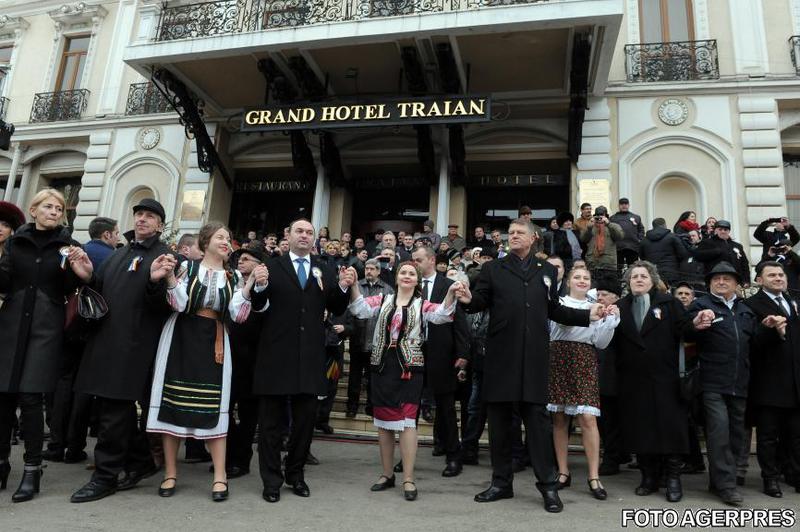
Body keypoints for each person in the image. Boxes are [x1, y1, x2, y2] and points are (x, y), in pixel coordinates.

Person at [460, 218, 604, 513]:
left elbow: (555, 309)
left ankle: (549, 487)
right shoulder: (493, 269)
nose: (513, 236)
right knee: (499, 425)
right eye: (510, 233)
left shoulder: (547, 270)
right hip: (501, 358)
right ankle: (501, 483)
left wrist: (589, 314)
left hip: (536, 358)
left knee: (538, 427)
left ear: (534, 237)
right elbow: (479, 301)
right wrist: (466, 298)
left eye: (519, 232)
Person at [145, 222, 259, 502]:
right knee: (173, 405)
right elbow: (179, 304)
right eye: (220, 237)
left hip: (215, 342)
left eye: (228, 238)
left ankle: (220, 475)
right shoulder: (188, 269)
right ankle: (170, 473)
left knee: (214, 406)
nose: (226, 241)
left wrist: (250, 286)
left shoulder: (233, 277)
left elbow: (238, 314)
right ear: (206, 241)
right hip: (181, 339)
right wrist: (171, 278)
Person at [71, 198, 174, 503]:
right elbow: (100, 293)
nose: (142, 219)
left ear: (160, 224)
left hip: (134, 346)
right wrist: (89, 274)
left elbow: (164, 305)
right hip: (104, 341)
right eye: (138, 214)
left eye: (150, 216)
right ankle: (141, 461)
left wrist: (157, 282)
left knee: (113, 412)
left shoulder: (164, 256)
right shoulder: (120, 253)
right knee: (112, 409)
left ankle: (105, 477)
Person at [345, 261, 466, 501]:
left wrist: (451, 293)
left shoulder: (423, 305)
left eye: (412, 273)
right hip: (382, 366)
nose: (407, 276)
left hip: (409, 368)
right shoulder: (382, 300)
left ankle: (408, 478)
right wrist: (353, 285)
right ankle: (387, 474)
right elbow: (359, 309)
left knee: (408, 422)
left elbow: (442, 315)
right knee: (383, 422)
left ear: (417, 280)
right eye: (403, 272)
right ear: (397, 277)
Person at [0, 189, 93, 502]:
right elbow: (4, 282)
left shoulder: (69, 246)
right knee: (3, 397)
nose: (54, 211)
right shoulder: (15, 242)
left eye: (58, 208)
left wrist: (84, 274)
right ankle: (1, 464)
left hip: (46, 328)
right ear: (34, 209)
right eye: (48, 206)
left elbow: (76, 286)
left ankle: (31, 468)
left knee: (30, 397)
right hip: (11, 326)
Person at [250, 219, 351, 503]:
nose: (305, 236)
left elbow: (337, 307)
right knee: (269, 426)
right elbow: (258, 306)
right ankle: (271, 480)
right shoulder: (271, 266)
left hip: (309, 358)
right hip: (275, 356)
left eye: (309, 232)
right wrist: (258, 287)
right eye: (299, 231)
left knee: (305, 424)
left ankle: (295, 475)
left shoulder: (324, 268)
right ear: (288, 235)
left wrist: (342, 287)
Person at [611, 260, 713, 502]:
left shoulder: (669, 303)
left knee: (670, 429)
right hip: (633, 382)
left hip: (665, 380)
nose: (638, 279)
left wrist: (696, 324)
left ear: (653, 280)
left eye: (643, 276)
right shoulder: (620, 307)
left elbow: (684, 330)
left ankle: (673, 478)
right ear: (628, 282)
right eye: (634, 276)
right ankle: (649, 477)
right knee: (641, 429)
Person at [686, 262, 776, 505]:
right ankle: (726, 485)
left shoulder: (745, 310)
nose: (721, 282)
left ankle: (722, 480)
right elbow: (684, 332)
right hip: (712, 382)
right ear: (710, 283)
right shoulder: (701, 305)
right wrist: (695, 323)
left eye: (727, 279)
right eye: (716, 279)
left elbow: (753, 344)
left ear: (737, 284)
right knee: (718, 433)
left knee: (737, 435)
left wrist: (767, 329)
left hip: (740, 382)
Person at [548, 266, 620, 500]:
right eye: (577, 277)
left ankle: (593, 476)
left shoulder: (598, 306)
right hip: (559, 357)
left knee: (588, 418)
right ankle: (562, 471)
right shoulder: (558, 303)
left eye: (585, 278)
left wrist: (609, 320)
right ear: (569, 281)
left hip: (584, 359)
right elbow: (562, 325)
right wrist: (590, 314)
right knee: (559, 418)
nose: (581, 280)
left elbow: (601, 343)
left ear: (591, 283)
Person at [412, 246, 470, 478]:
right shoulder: (410, 285)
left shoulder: (448, 285)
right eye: (412, 260)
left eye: (419, 259)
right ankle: (408, 457)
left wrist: (463, 353)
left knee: (446, 408)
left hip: (442, 354)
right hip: (413, 353)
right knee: (411, 408)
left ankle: (454, 457)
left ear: (432, 260)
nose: (414, 264)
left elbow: (460, 322)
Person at [744, 261, 800, 498]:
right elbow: (751, 343)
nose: (779, 278)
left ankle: (795, 474)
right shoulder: (750, 305)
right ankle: (770, 479)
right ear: (759, 280)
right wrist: (769, 331)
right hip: (768, 383)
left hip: (795, 382)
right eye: (772, 275)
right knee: (768, 436)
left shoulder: (793, 303)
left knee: (795, 435)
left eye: (781, 275)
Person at [225, 247, 266, 478]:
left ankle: (241, 460)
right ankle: (228, 455)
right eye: (239, 258)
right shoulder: (232, 284)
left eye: (247, 258)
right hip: (229, 355)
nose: (241, 261)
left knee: (249, 414)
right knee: (226, 410)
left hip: (253, 359)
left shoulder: (263, 288)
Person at [346, 259, 394, 418]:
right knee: (355, 376)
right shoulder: (357, 286)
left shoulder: (387, 290)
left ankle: (372, 406)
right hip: (357, 337)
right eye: (367, 268)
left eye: (372, 269)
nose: (369, 271)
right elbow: (351, 310)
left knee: (374, 377)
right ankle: (352, 406)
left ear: (379, 271)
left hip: (376, 340)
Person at [595, 280, 628, 476]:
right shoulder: (594, 314)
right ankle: (616, 454)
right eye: (598, 294)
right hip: (597, 375)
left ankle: (612, 458)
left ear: (616, 297)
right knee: (604, 421)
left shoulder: (621, 316)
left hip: (614, 376)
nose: (600, 297)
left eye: (605, 294)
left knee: (611, 422)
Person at [694, 220, 751, 286]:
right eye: (720, 229)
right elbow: (697, 256)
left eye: (725, 229)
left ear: (729, 231)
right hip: (716, 279)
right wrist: (715, 252)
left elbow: (744, 264)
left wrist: (746, 280)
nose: (723, 231)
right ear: (716, 230)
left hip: (735, 280)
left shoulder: (737, 246)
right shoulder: (707, 242)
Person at [639, 218, 689, 287]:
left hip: (652, 273)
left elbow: (642, 257)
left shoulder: (644, 240)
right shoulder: (672, 237)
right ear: (664, 225)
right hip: (671, 272)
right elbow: (683, 254)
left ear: (653, 226)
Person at [581, 206, 624, 286]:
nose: (599, 217)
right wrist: (589, 228)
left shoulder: (613, 225)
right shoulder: (590, 226)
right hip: (592, 264)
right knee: (593, 289)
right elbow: (583, 239)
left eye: (601, 215)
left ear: (606, 215)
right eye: (597, 215)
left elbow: (620, 236)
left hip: (608, 264)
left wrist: (609, 224)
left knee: (608, 288)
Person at [609, 198, 643, 271]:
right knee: (618, 270)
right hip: (618, 248)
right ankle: (618, 282)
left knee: (633, 269)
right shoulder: (612, 218)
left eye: (626, 204)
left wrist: (639, 239)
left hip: (633, 247)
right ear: (618, 205)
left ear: (629, 205)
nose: (624, 206)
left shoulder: (636, 217)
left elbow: (641, 229)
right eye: (622, 204)